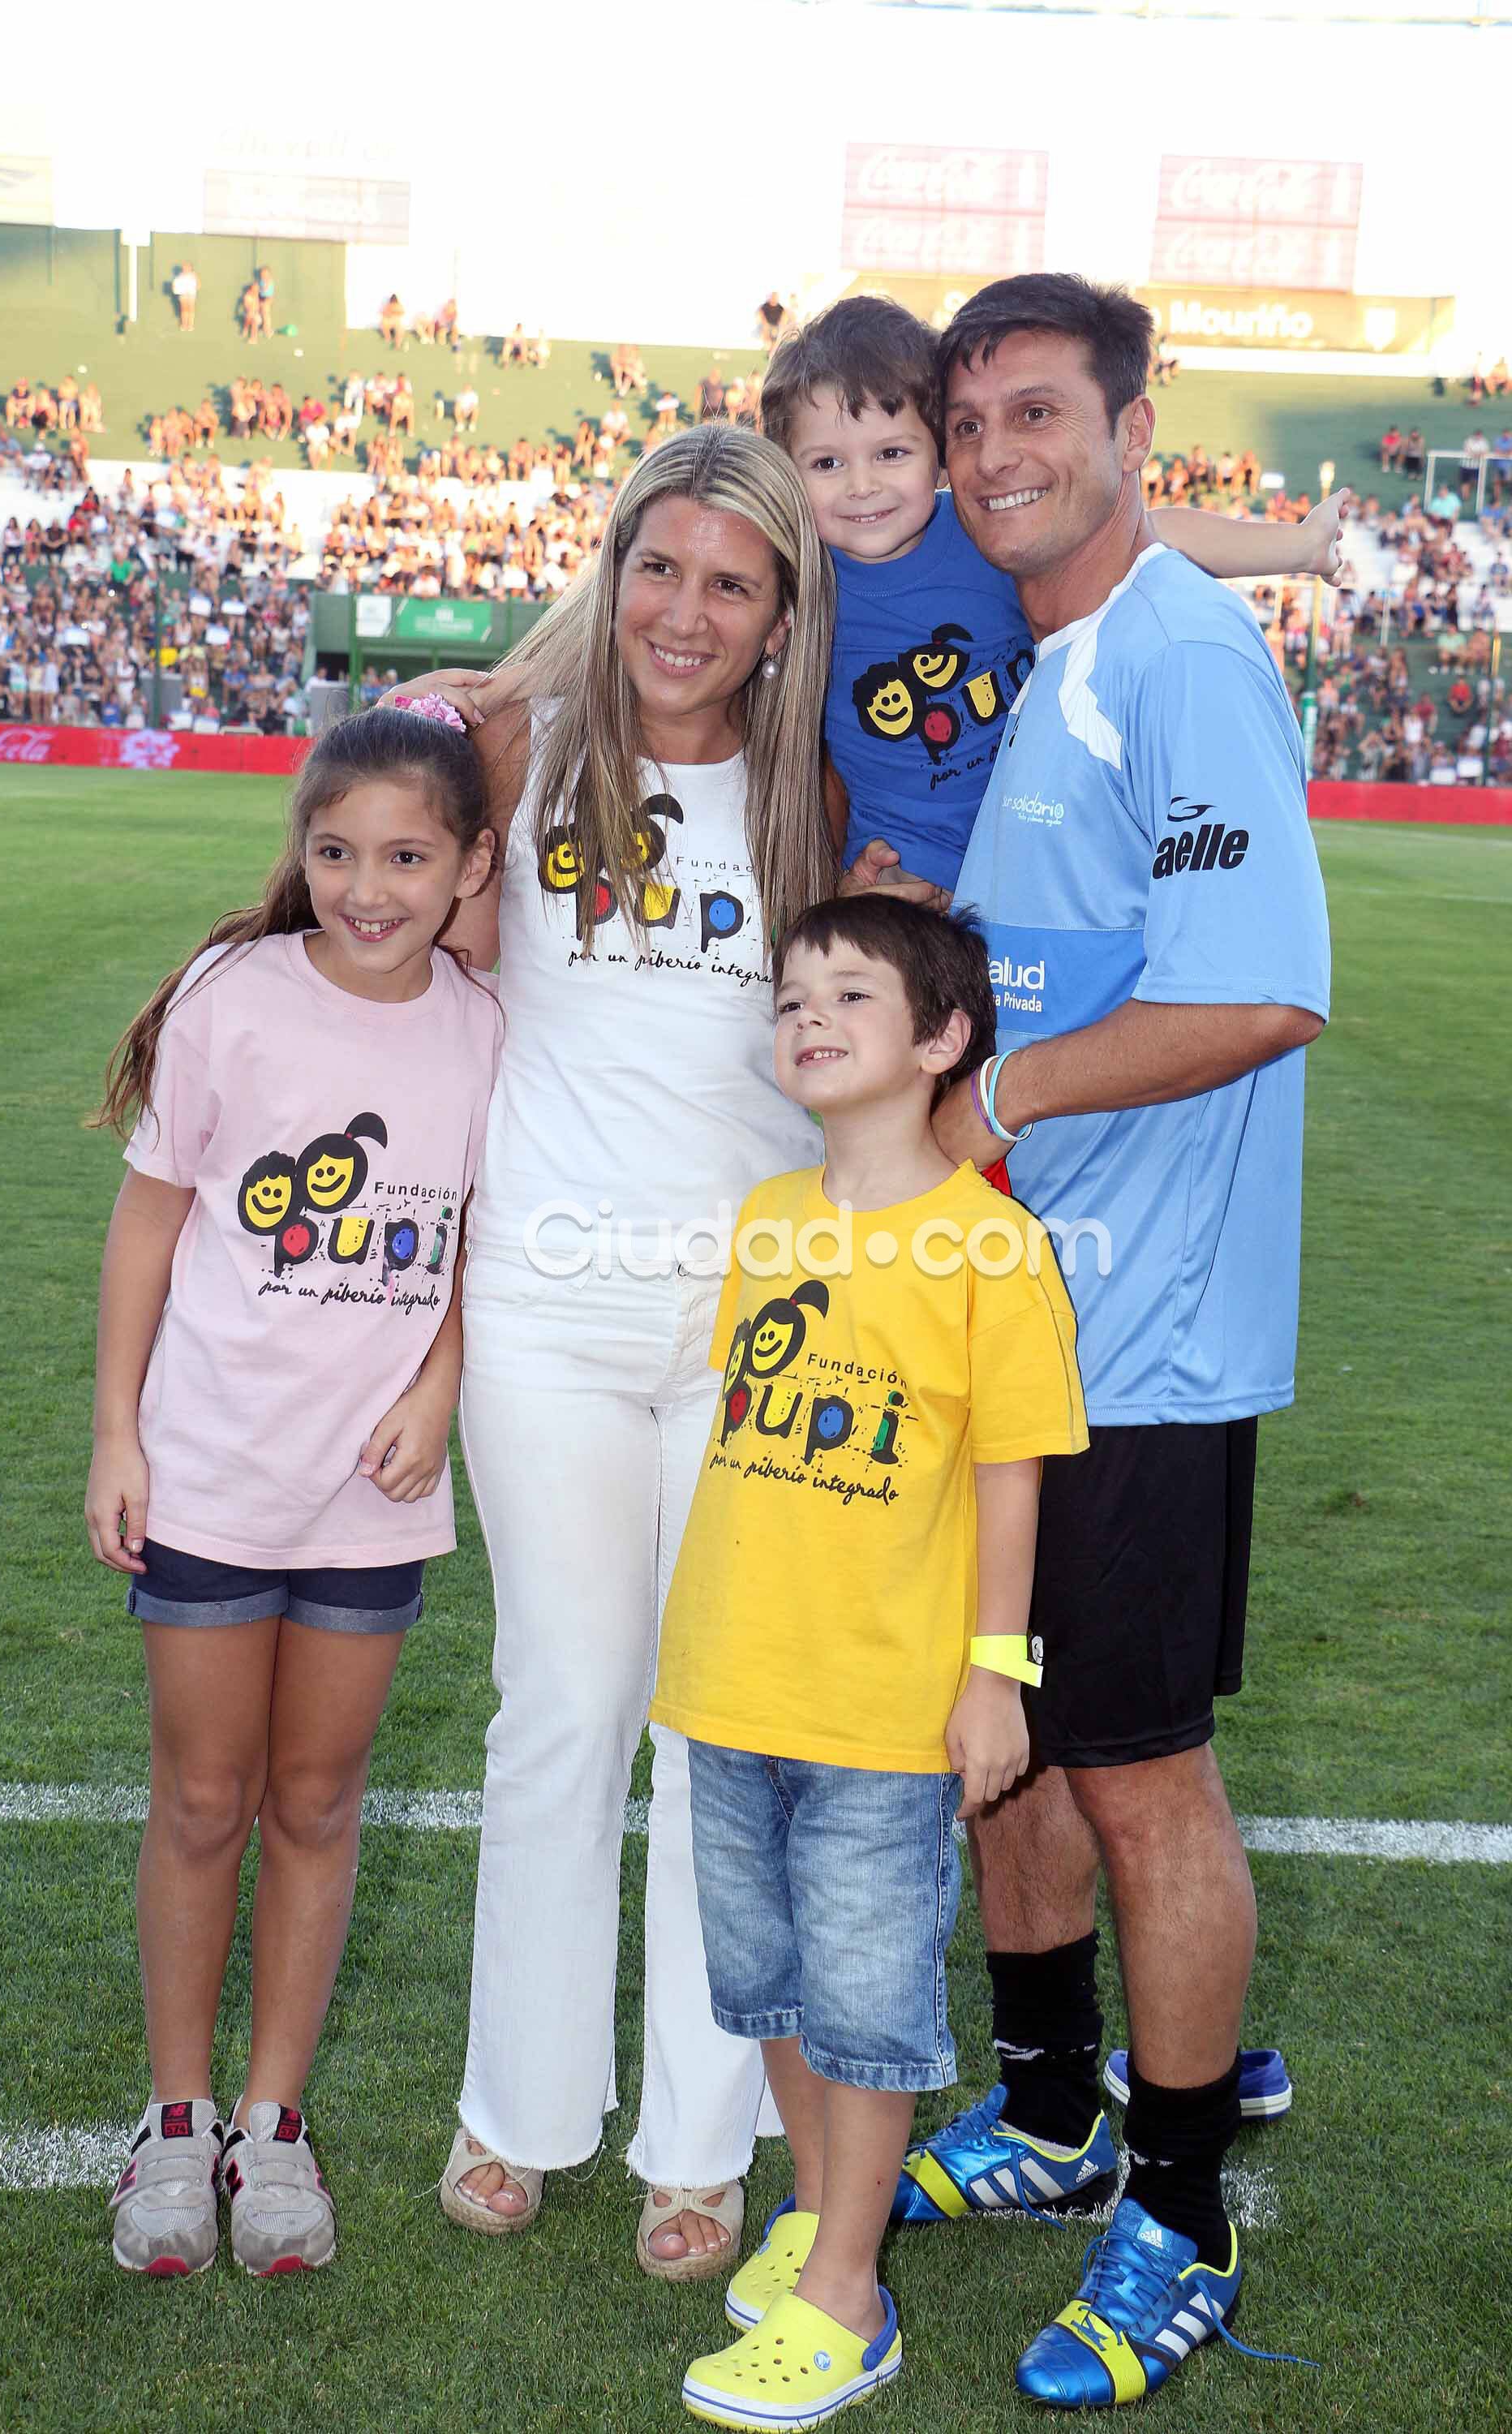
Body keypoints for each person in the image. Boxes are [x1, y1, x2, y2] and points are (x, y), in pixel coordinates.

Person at [914, 272, 1329, 2408]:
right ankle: (1057, 2112)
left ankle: (1172, 2208)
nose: (995, 451)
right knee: (1016, 1739)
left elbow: (1258, 982)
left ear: (1134, 422)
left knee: (1142, 1774)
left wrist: (997, 1104)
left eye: (1036, 413)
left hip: (1143, 1338)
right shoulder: (1056, 658)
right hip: (1025, 1325)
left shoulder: (1176, 649)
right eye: (967, 418)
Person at [391, 424, 839, 2282]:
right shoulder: (517, 745)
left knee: (709, 1730)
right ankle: (517, 2108)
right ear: (611, 568)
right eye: (656, 567)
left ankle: (697, 2139)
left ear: (773, 617)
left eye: (728, 583)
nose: (683, 610)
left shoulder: (814, 794)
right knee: (563, 1703)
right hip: (549, 1313)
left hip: (749, 1324)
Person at [653, 892, 1088, 2426]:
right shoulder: (770, 1217)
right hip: (729, 1678)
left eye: (849, 995)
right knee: (770, 1989)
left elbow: (1012, 1475)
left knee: (864, 1996)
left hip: (884, 1707)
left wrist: (995, 1672)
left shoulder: (992, 1246)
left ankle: (849, 2297)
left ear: (944, 1038)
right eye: (790, 998)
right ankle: (819, 2217)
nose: (809, 1018)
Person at [86, 705, 500, 2279]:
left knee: (318, 1802)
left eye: (406, 857)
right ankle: (177, 2122)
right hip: (207, 1471)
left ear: (470, 867)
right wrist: (117, 1434)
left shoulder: (477, 1028)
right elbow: (149, 1223)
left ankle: (275, 2122)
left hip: (367, 1495)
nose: (367, 888)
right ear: (299, 852)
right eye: (335, 853)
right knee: (202, 1799)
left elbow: (474, 1241)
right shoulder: (233, 1000)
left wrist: (439, 1387)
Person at [758, 295, 1355, 900]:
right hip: (899, 877)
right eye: (827, 462)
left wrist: (1300, 548)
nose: (862, 486)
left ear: (941, 457)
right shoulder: (798, 589)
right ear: (787, 472)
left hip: (1035, 856)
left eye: (891, 454)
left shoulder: (983, 532)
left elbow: (1160, 535)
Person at [174, 264, 199, 331]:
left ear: (191, 268)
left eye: (187, 267)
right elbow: (175, 285)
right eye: (184, 267)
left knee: (191, 311)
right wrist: (176, 289)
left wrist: (193, 288)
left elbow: (198, 285)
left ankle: (190, 326)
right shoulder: (179, 276)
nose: (185, 269)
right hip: (183, 295)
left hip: (191, 295)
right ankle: (184, 325)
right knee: (184, 310)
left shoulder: (194, 275)